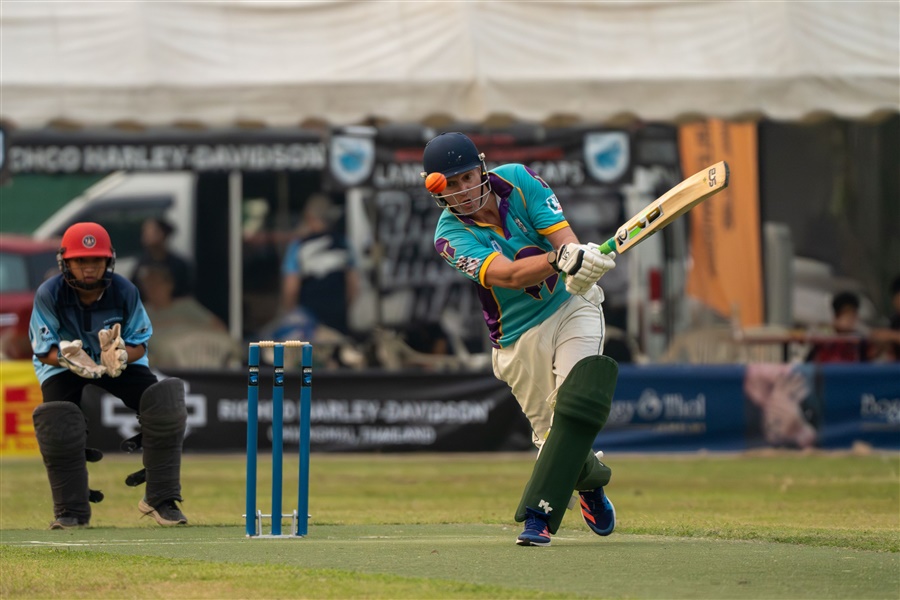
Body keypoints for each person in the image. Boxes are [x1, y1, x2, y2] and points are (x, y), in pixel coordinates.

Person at [423, 132, 618, 547]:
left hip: (570, 306)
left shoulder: (519, 179)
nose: (463, 192)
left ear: (481, 168)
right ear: (439, 190)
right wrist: (559, 259)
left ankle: (537, 517)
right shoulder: (447, 237)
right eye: (451, 185)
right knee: (552, 435)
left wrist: (577, 258)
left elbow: (563, 239)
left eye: (467, 178)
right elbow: (509, 275)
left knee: (575, 404)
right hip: (516, 338)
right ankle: (591, 481)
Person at [29, 222, 188, 529]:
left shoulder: (125, 290)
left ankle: (162, 499)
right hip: (64, 363)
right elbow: (42, 350)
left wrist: (120, 356)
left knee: (164, 404)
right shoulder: (49, 294)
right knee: (57, 420)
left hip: (114, 360)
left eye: (96, 261)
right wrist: (69, 359)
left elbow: (139, 343)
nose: (89, 269)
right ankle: (70, 510)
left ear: (108, 261)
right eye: (80, 261)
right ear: (66, 262)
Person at [136, 263, 241, 369]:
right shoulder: (140, 312)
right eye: (148, 284)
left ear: (169, 285)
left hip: (204, 356)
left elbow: (218, 326)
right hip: (165, 364)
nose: (153, 288)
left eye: (157, 283)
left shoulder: (187, 306)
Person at [131, 216, 193, 299]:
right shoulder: (141, 264)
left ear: (162, 234)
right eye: (144, 232)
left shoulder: (179, 265)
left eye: (150, 231)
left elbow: (186, 293)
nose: (145, 235)